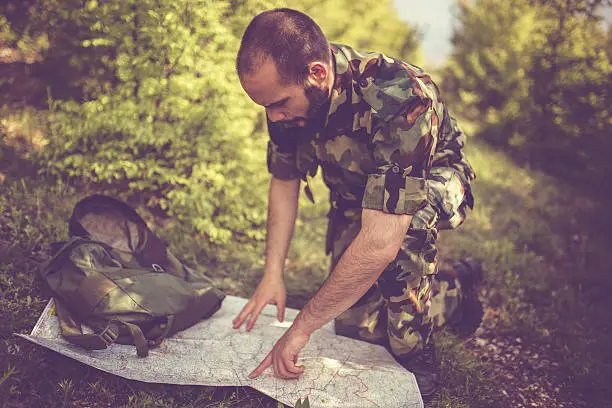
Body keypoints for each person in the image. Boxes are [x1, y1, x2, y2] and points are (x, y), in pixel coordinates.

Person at [231, 8, 480, 401]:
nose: (273, 116)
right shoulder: (284, 103)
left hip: (435, 186)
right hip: (361, 195)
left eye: (279, 104)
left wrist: (301, 328)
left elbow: (383, 238)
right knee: (356, 328)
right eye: (265, 107)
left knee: (403, 237)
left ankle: (420, 357)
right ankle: (449, 287)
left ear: (317, 74)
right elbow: (284, 180)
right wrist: (272, 273)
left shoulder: (401, 95)